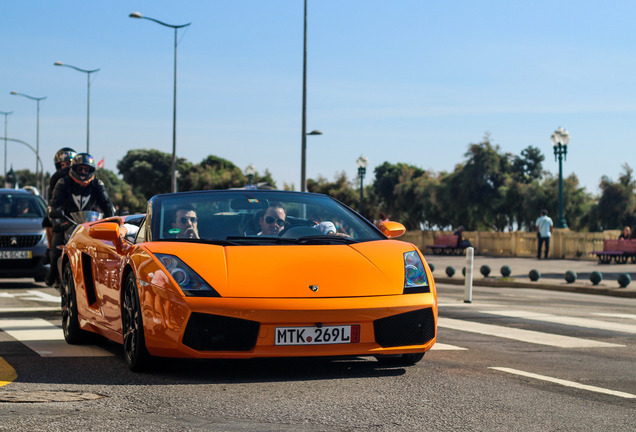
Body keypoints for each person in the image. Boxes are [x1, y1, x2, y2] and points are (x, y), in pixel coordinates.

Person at [47, 153, 115, 287]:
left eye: (86, 169)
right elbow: (54, 205)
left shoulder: (97, 184)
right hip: (68, 224)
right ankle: (53, 274)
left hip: (91, 225)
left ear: (91, 170)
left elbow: (107, 205)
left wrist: (112, 220)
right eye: (80, 169)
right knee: (56, 247)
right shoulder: (63, 182)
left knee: (109, 249)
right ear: (73, 169)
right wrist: (57, 221)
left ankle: (109, 279)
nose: (83, 172)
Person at [42, 147, 76, 264]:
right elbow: (53, 199)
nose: (67, 166)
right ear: (59, 165)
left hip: (78, 212)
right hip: (62, 210)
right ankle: (50, 250)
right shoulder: (56, 178)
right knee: (48, 220)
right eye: (64, 164)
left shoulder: (82, 178)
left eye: (70, 163)